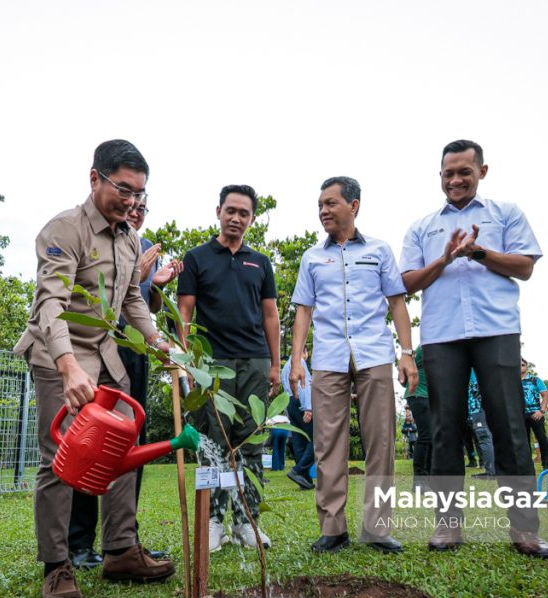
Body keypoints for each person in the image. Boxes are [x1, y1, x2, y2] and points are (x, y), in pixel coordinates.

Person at [15, 139, 175, 598]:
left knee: (126, 448)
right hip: (58, 353)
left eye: (138, 194)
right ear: (95, 178)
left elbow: (131, 301)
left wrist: (159, 343)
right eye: (123, 189)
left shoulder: (129, 236)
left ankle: (121, 550)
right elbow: (51, 304)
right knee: (59, 459)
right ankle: (57, 565)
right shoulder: (64, 229)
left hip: (109, 356)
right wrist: (66, 367)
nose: (130, 201)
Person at [400, 139, 548, 559]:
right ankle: (448, 527)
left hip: (496, 330)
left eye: (464, 172)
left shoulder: (506, 213)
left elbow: (524, 266)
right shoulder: (423, 227)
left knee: (508, 426)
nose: (456, 180)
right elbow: (407, 283)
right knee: (445, 428)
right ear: (440, 177)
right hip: (442, 335)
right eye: (449, 173)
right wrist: (446, 258)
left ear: (481, 172)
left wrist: (479, 252)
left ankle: (524, 531)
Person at [290, 176, 418, 555]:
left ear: (354, 205)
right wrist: (296, 361)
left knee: (380, 441)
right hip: (328, 358)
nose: (323, 210)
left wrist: (406, 353)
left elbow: (397, 304)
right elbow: (303, 311)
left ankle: (378, 528)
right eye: (320, 205)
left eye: (331, 203)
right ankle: (333, 528)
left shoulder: (379, 251)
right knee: (328, 444)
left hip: (375, 354)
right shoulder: (312, 257)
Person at [66, 198, 182, 570]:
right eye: (131, 204)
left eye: (142, 208)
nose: (136, 212)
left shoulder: (143, 247)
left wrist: (156, 284)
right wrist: (140, 274)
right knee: (91, 440)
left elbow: (145, 305)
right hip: (95, 346)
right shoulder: (87, 235)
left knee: (131, 438)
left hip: (134, 347)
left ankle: (124, 539)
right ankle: (78, 542)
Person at [177, 184, 280, 552]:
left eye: (244, 213)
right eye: (230, 211)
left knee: (251, 442)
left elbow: (270, 314)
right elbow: (184, 313)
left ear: (252, 218)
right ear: (218, 211)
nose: (236, 218)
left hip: (254, 360)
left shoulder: (260, 262)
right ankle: (214, 521)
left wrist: (275, 364)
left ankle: (247, 522)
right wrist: (188, 360)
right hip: (211, 365)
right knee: (214, 444)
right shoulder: (196, 258)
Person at [283, 348, 316, 490]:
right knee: (318, 438)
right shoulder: (299, 361)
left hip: (290, 402)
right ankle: (299, 471)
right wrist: (308, 407)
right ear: (304, 351)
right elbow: (304, 385)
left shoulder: (285, 366)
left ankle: (305, 479)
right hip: (300, 400)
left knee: (299, 440)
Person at [404, 346, 433, 487]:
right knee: (426, 436)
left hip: (426, 396)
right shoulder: (424, 347)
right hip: (418, 395)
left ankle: (429, 477)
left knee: (432, 437)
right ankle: (420, 481)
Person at [520, 359, 548, 469]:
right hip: (520, 415)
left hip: (535, 414)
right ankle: (527, 466)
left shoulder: (535, 380)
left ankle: (546, 464)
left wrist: (541, 411)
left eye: (523, 364)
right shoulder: (512, 382)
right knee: (524, 440)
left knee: (541, 438)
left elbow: (546, 396)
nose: (520, 366)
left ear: (527, 367)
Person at [467, 369, 496, 476]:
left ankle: (491, 472)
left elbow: (477, 388)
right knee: (486, 439)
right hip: (476, 411)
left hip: (478, 409)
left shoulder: (473, 370)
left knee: (484, 438)